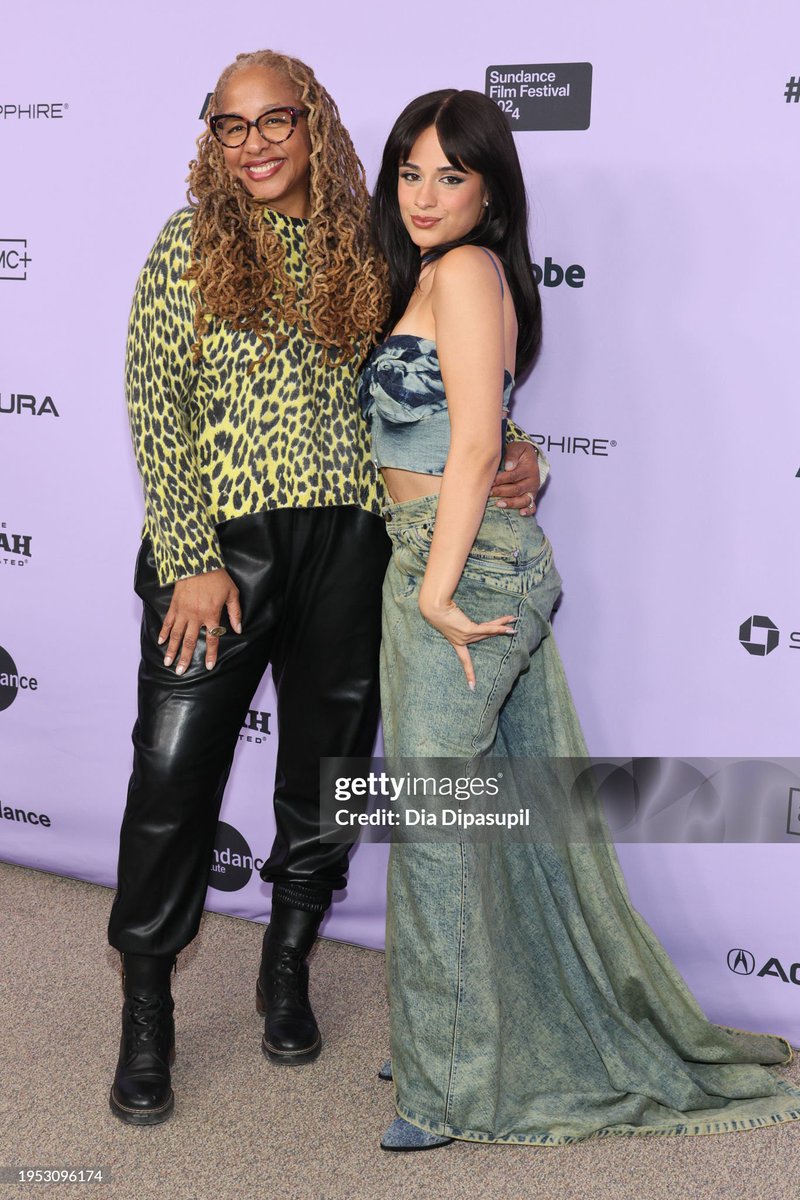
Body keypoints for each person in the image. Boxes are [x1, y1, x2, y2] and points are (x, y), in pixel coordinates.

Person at [107, 51, 544, 1125]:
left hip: (354, 547)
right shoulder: (185, 246)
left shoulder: (373, 242)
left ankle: (287, 967)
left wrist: (517, 447)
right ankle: (147, 1016)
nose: (253, 143)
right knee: (170, 783)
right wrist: (189, 557)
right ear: (211, 139)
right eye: (230, 125)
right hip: (221, 555)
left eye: (275, 120)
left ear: (316, 125)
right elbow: (153, 409)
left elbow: (430, 376)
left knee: (328, 774)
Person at [361, 87, 800, 1151]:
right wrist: (525, 465)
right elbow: (490, 432)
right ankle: (454, 1032)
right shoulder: (440, 272)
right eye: (410, 172)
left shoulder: (462, 272)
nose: (425, 195)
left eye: (449, 176)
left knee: (432, 827)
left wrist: (433, 587)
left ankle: (450, 1085)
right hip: (451, 553)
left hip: (453, 567)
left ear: (489, 190)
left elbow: (469, 448)